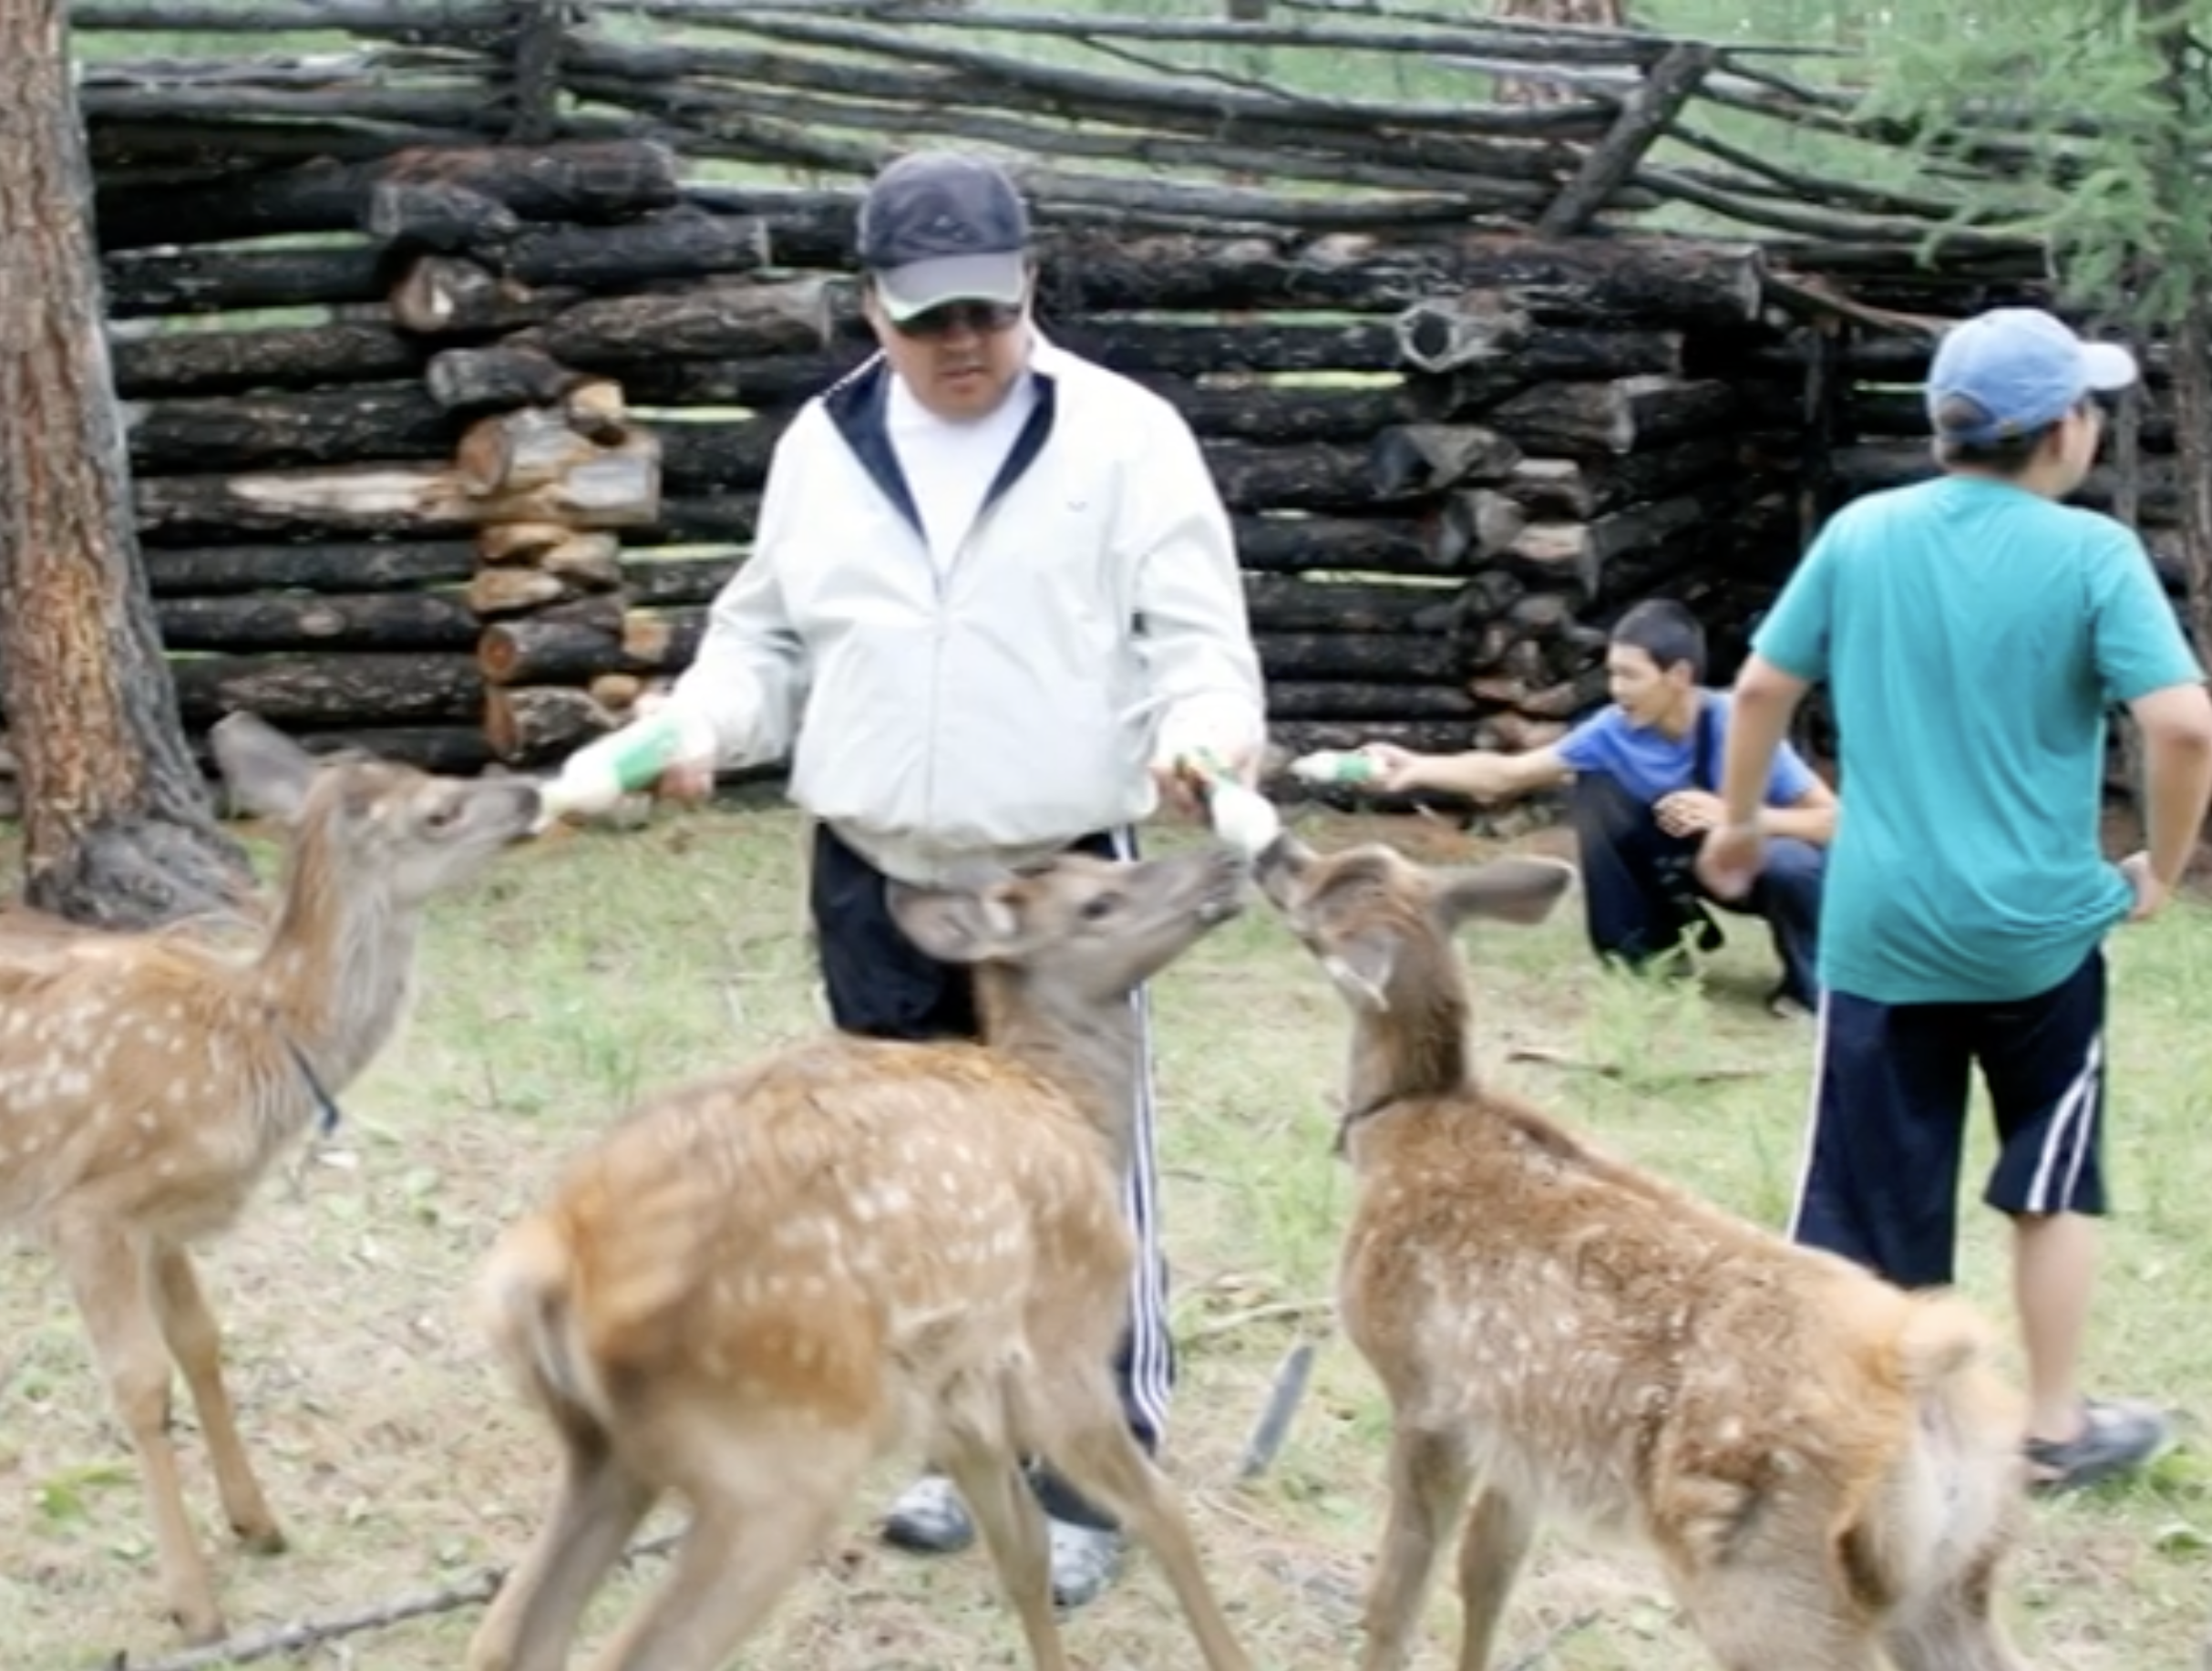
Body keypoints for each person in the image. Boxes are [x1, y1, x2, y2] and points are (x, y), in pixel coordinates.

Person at [640, 149, 1268, 1604]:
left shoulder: (1123, 439)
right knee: (908, 1187)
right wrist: (700, 719)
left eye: (986, 310)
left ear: (1030, 284)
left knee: (1073, 1185)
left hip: (1053, 888)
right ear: (870, 307)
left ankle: (1089, 1470)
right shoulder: (822, 446)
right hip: (874, 870)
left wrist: (1203, 732)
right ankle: (961, 1440)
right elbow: (764, 641)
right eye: (928, 319)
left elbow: (1197, 643)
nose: (962, 344)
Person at [1696, 305, 2212, 1493]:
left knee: (1871, 1192)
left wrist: (1733, 820)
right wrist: (2163, 869)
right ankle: (2046, 1426)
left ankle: (1862, 1431)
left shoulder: (1862, 536)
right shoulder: (2088, 557)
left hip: (1880, 932)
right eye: (2086, 406)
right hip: (2040, 938)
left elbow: (1763, 681)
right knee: (2049, 1176)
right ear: (2061, 433)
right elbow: (2181, 722)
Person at [1350, 598, 1834, 1016]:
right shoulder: (1614, 730)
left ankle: (1809, 988)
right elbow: (1507, 774)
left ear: (1678, 676)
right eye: (1612, 674)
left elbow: (1835, 822)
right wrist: (1415, 767)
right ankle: (1645, 956)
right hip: (1687, 860)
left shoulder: (1737, 725)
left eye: (1630, 675)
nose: (1617, 689)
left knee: (1791, 863)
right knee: (1597, 785)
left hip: (1762, 865)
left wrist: (1738, 817)